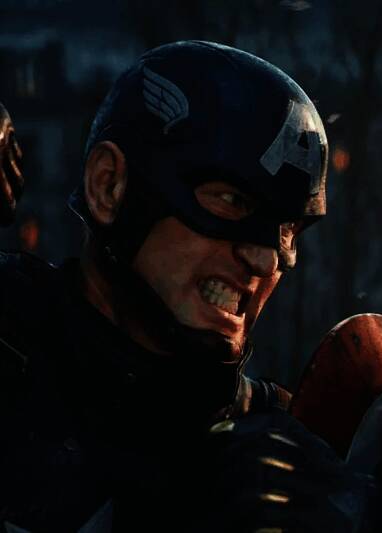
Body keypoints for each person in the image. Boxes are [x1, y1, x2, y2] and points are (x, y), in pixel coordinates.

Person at [0, 41, 355, 532]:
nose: (265, 258)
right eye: (231, 200)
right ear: (109, 186)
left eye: (287, 230)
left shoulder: (289, 452)